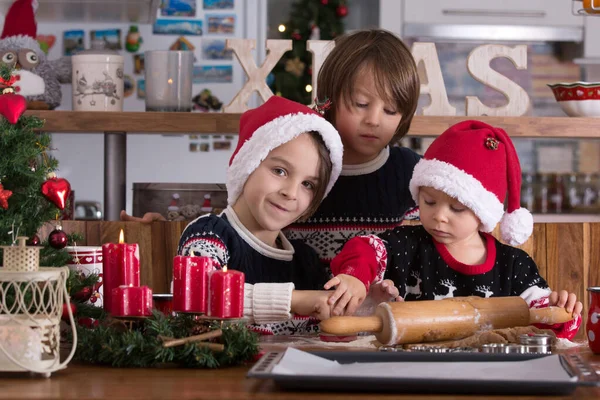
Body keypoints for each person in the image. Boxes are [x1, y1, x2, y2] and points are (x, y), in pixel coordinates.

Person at [328, 120, 582, 339]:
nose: (439, 216)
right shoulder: (406, 245)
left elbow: (544, 323)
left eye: (457, 208)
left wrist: (559, 310)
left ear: (483, 212)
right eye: (429, 202)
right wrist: (355, 276)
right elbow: (365, 247)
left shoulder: (514, 266)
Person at [177, 96, 396, 335]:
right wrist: (295, 300)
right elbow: (200, 298)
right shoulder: (210, 233)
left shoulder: (305, 261)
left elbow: (325, 325)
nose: (290, 192)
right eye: (279, 171)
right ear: (249, 162)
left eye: (308, 184)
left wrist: (363, 307)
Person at [285, 28, 421, 274]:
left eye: (390, 110)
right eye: (361, 104)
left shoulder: (412, 173)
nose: (374, 120)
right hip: (302, 307)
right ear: (329, 100)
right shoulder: (301, 163)